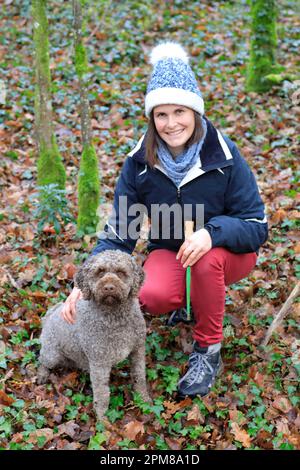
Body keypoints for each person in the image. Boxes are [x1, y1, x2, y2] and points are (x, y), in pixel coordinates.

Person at [61, 42, 268, 398]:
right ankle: (188, 303)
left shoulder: (225, 154)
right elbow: (120, 230)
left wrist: (212, 233)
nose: (171, 123)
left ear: (195, 112)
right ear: (152, 118)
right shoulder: (140, 162)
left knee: (206, 262)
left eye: (180, 112)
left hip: (227, 252)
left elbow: (256, 225)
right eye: (161, 114)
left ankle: (208, 352)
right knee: (151, 295)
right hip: (172, 251)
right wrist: (83, 282)